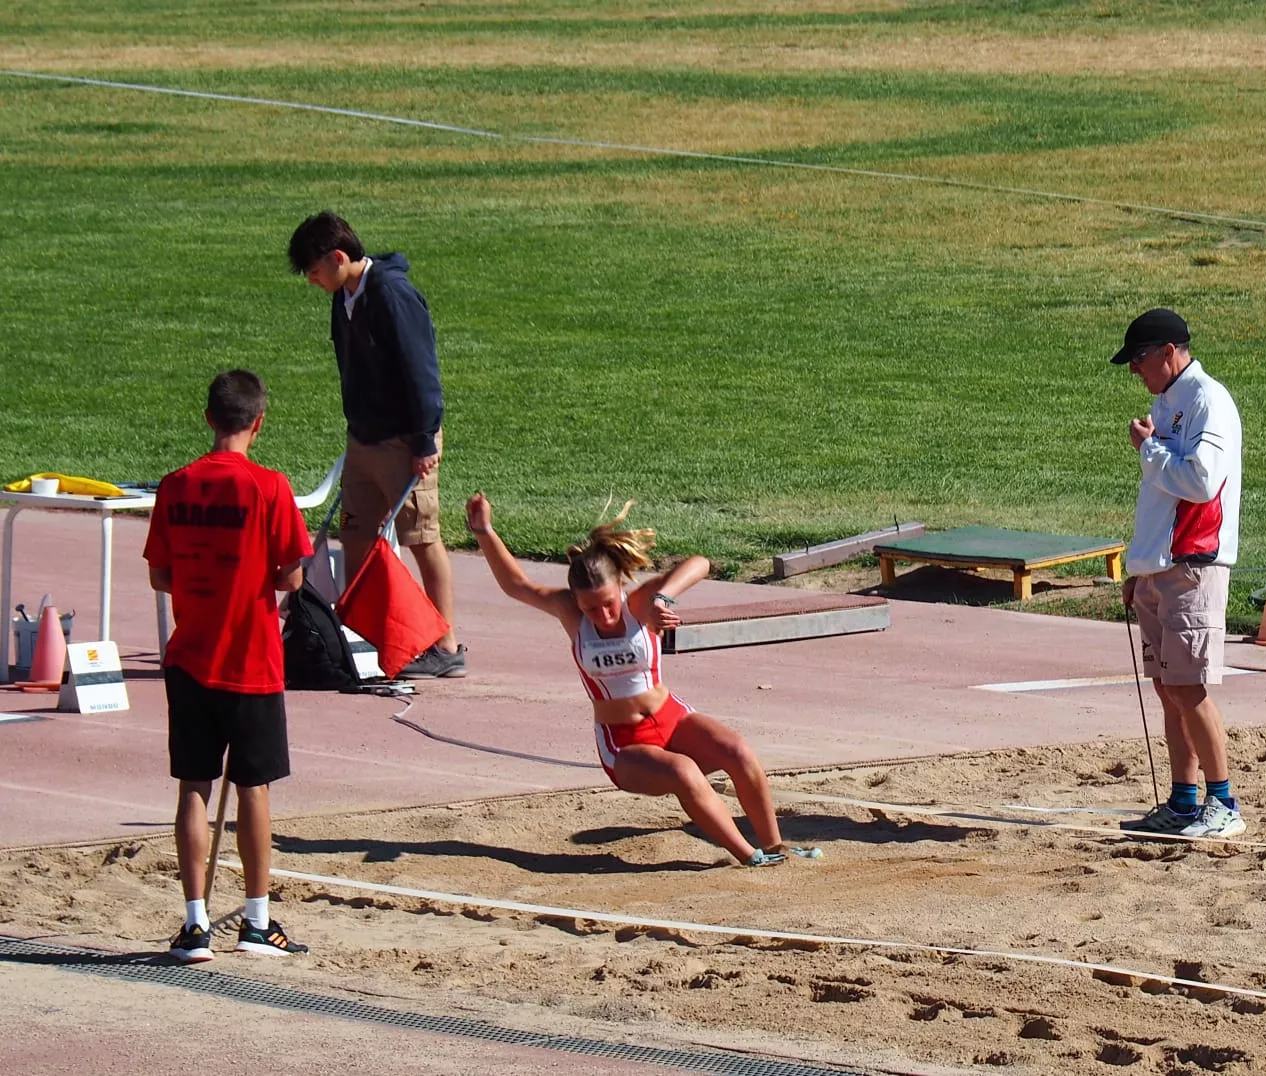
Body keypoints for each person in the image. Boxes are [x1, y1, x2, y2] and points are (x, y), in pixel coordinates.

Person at [465, 493, 819, 867]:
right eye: (590, 607)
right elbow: (516, 585)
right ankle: (749, 856)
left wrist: (664, 599)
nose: (601, 615)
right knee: (683, 772)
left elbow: (700, 563)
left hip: (671, 717)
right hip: (623, 743)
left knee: (738, 751)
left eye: (608, 604)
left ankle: (774, 844)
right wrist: (484, 531)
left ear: (620, 586)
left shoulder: (639, 604)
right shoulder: (570, 612)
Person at [144, 370, 314, 962]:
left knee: (193, 786)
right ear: (258, 422)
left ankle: (194, 925)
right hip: (250, 658)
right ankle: (256, 921)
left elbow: (161, 574)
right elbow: (293, 575)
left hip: (190, 654)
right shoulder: (270, 488)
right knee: (254, 789)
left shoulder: (175, 485)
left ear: (209, 417)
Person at [287, 211, 464, 679]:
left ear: (339, 258)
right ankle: (372, 633)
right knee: (357, 535)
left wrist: (424, 438)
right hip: (363, 439)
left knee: (421, 537)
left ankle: (445, 645)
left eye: (315, 272)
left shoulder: (392, 296)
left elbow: (421, 370)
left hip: (406, 441)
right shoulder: (343, 297)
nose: (313, 282)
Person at [1109, 309, 1247, 839]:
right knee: (1168, 686)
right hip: (1159, 568)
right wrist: (1137, 564)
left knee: (1190, 688)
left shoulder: (1208, 400)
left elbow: (1200, 482)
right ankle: (1184, 801)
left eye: (1139, 359)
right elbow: (1158, 496)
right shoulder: (1167, 403)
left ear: (1169, 351)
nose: (1134, 370)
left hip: (1194, 566)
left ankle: (1223, 802)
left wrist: (1149, 447)